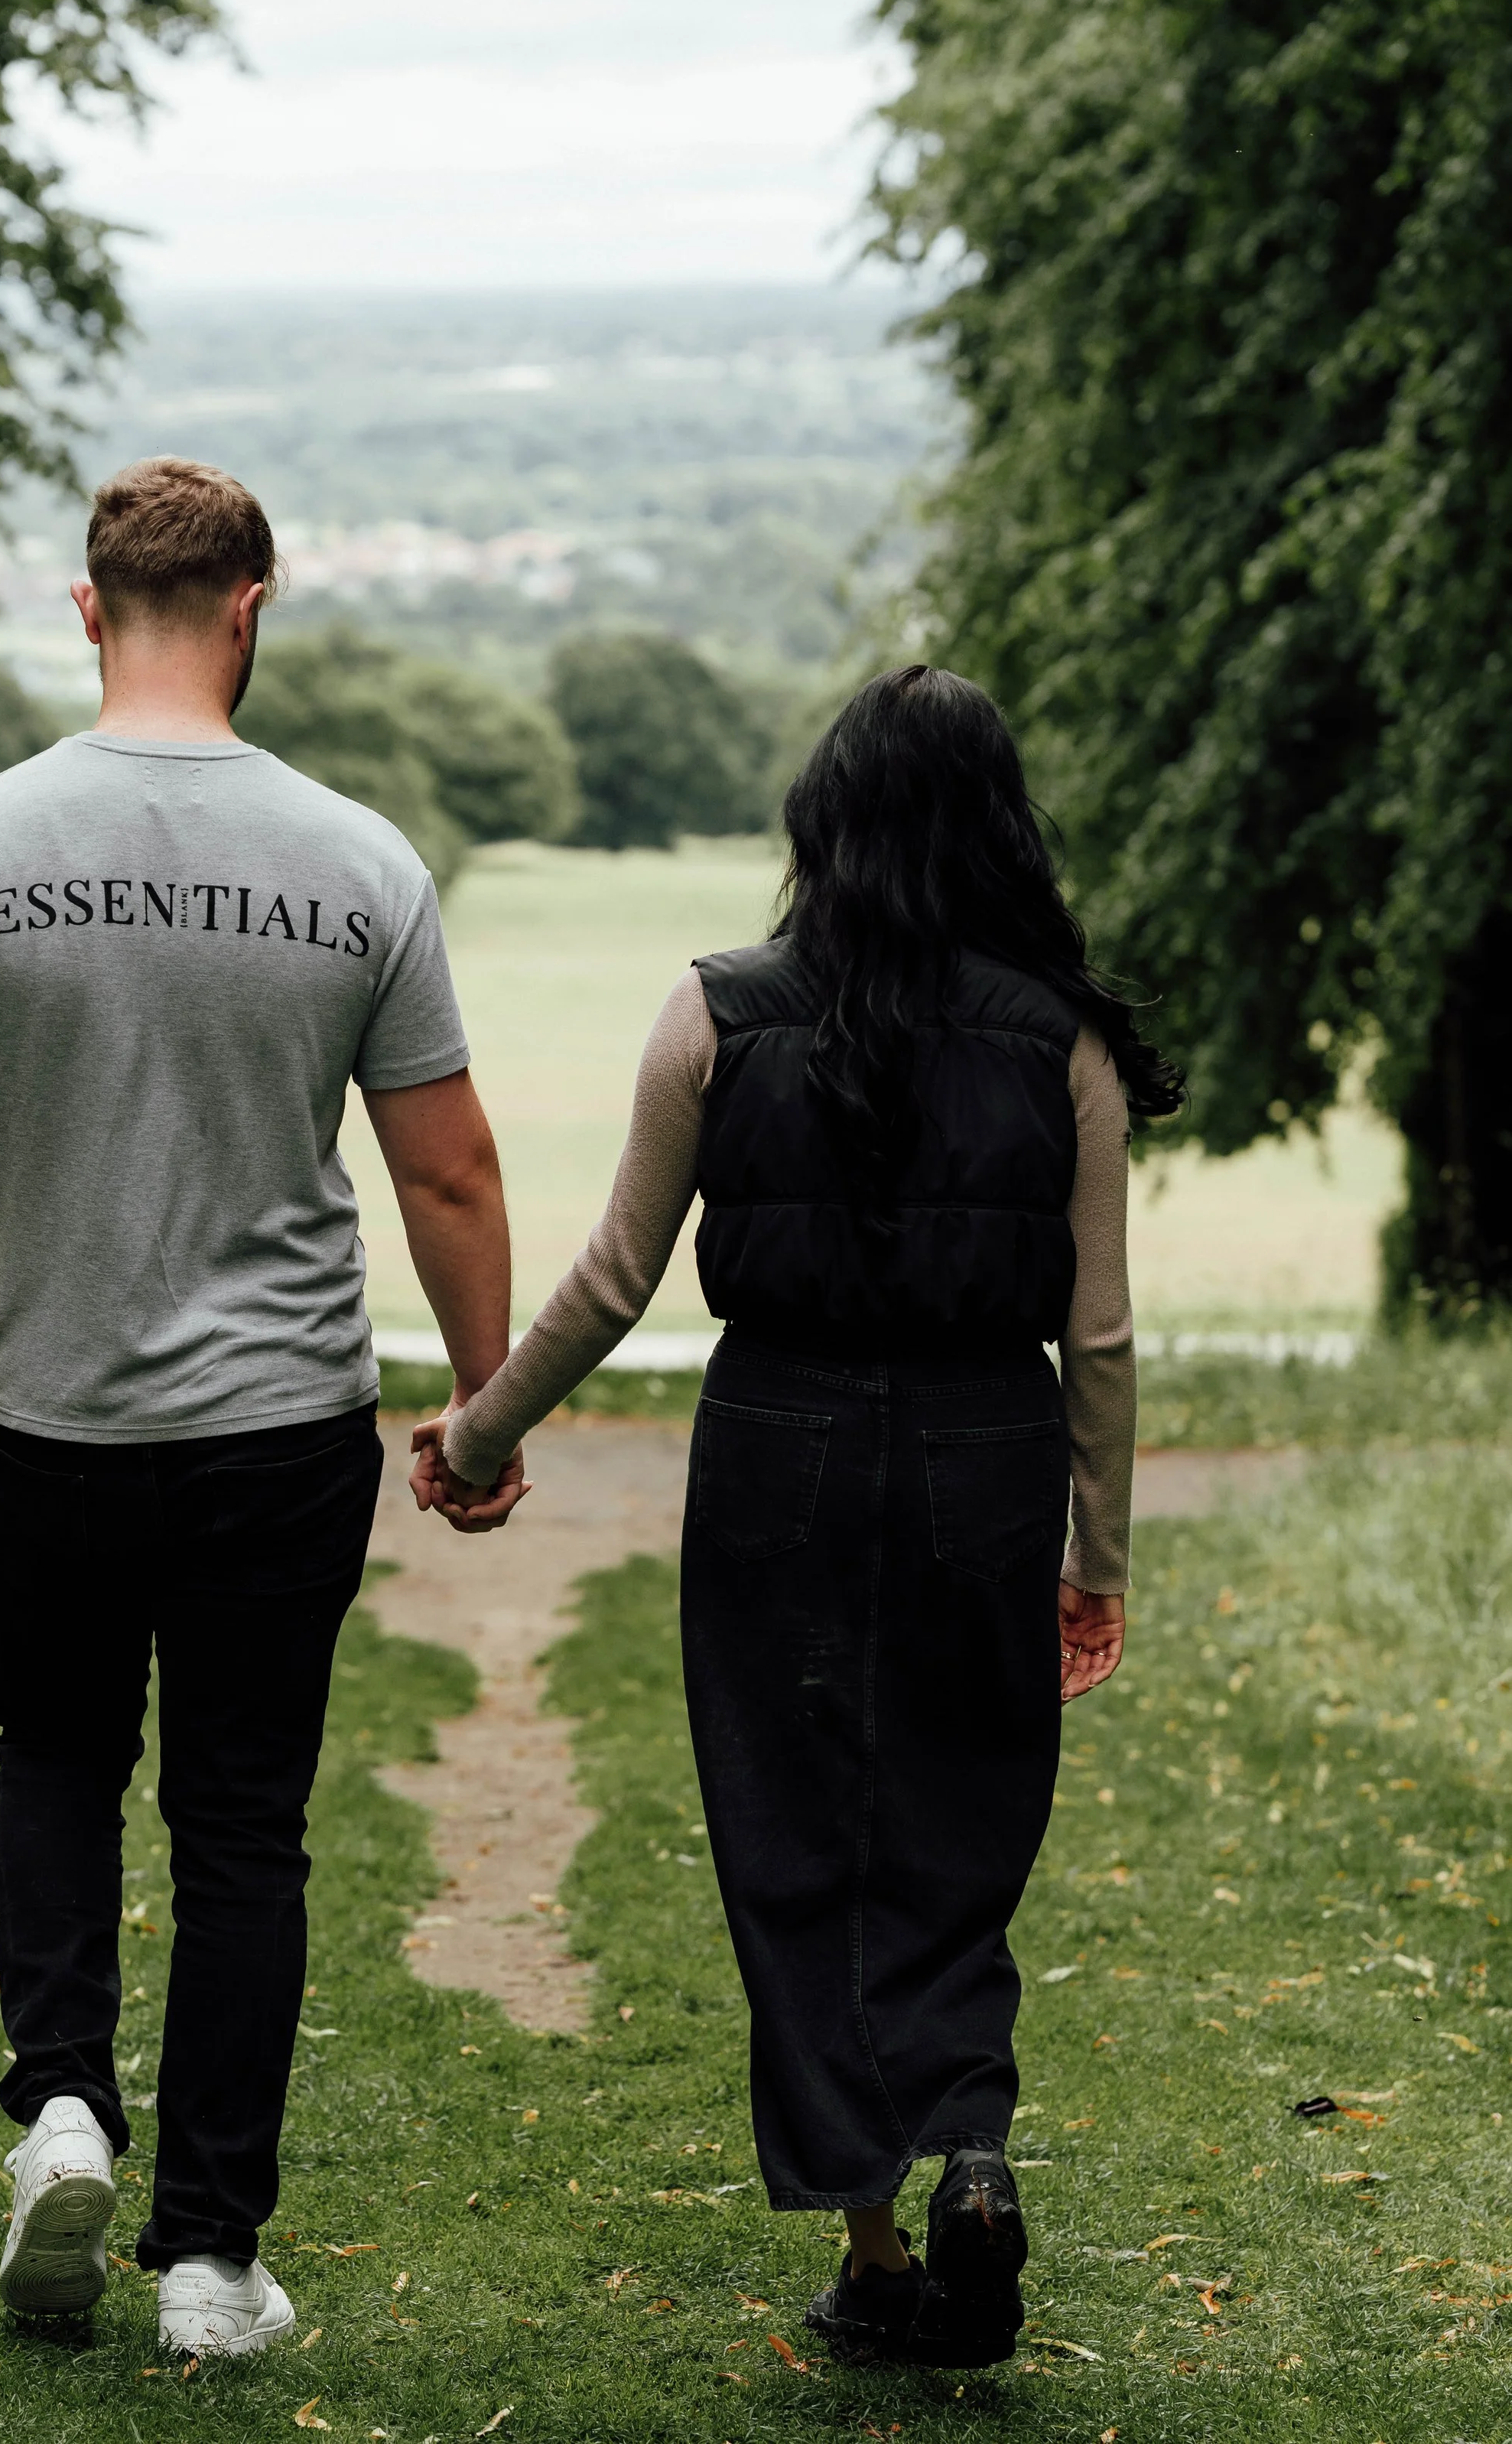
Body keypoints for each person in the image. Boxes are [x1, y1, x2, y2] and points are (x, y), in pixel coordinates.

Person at [0, 456, 522, 2357]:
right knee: (243, 1831)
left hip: (54, 1419)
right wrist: (483, 1405)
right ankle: (206, 2260)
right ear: (254, 608)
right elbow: (448, 1174)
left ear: (88, 608)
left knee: (49, 1761)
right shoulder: (359, 861)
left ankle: (57, 2108)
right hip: (282, 1425)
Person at [411, 665, 1180, 2369]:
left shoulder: (713, 1011)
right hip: (987, 1436)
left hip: (780, 1440)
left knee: (792, 1826)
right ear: (998, 830)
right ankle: (969, 2132)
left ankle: (876, 2242)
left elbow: (615, 1277)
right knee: (961, 1818)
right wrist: (1093, 1557)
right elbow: (1102, 1331)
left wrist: (477, 1433)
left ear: (817, 822)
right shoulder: (1061, 1040)